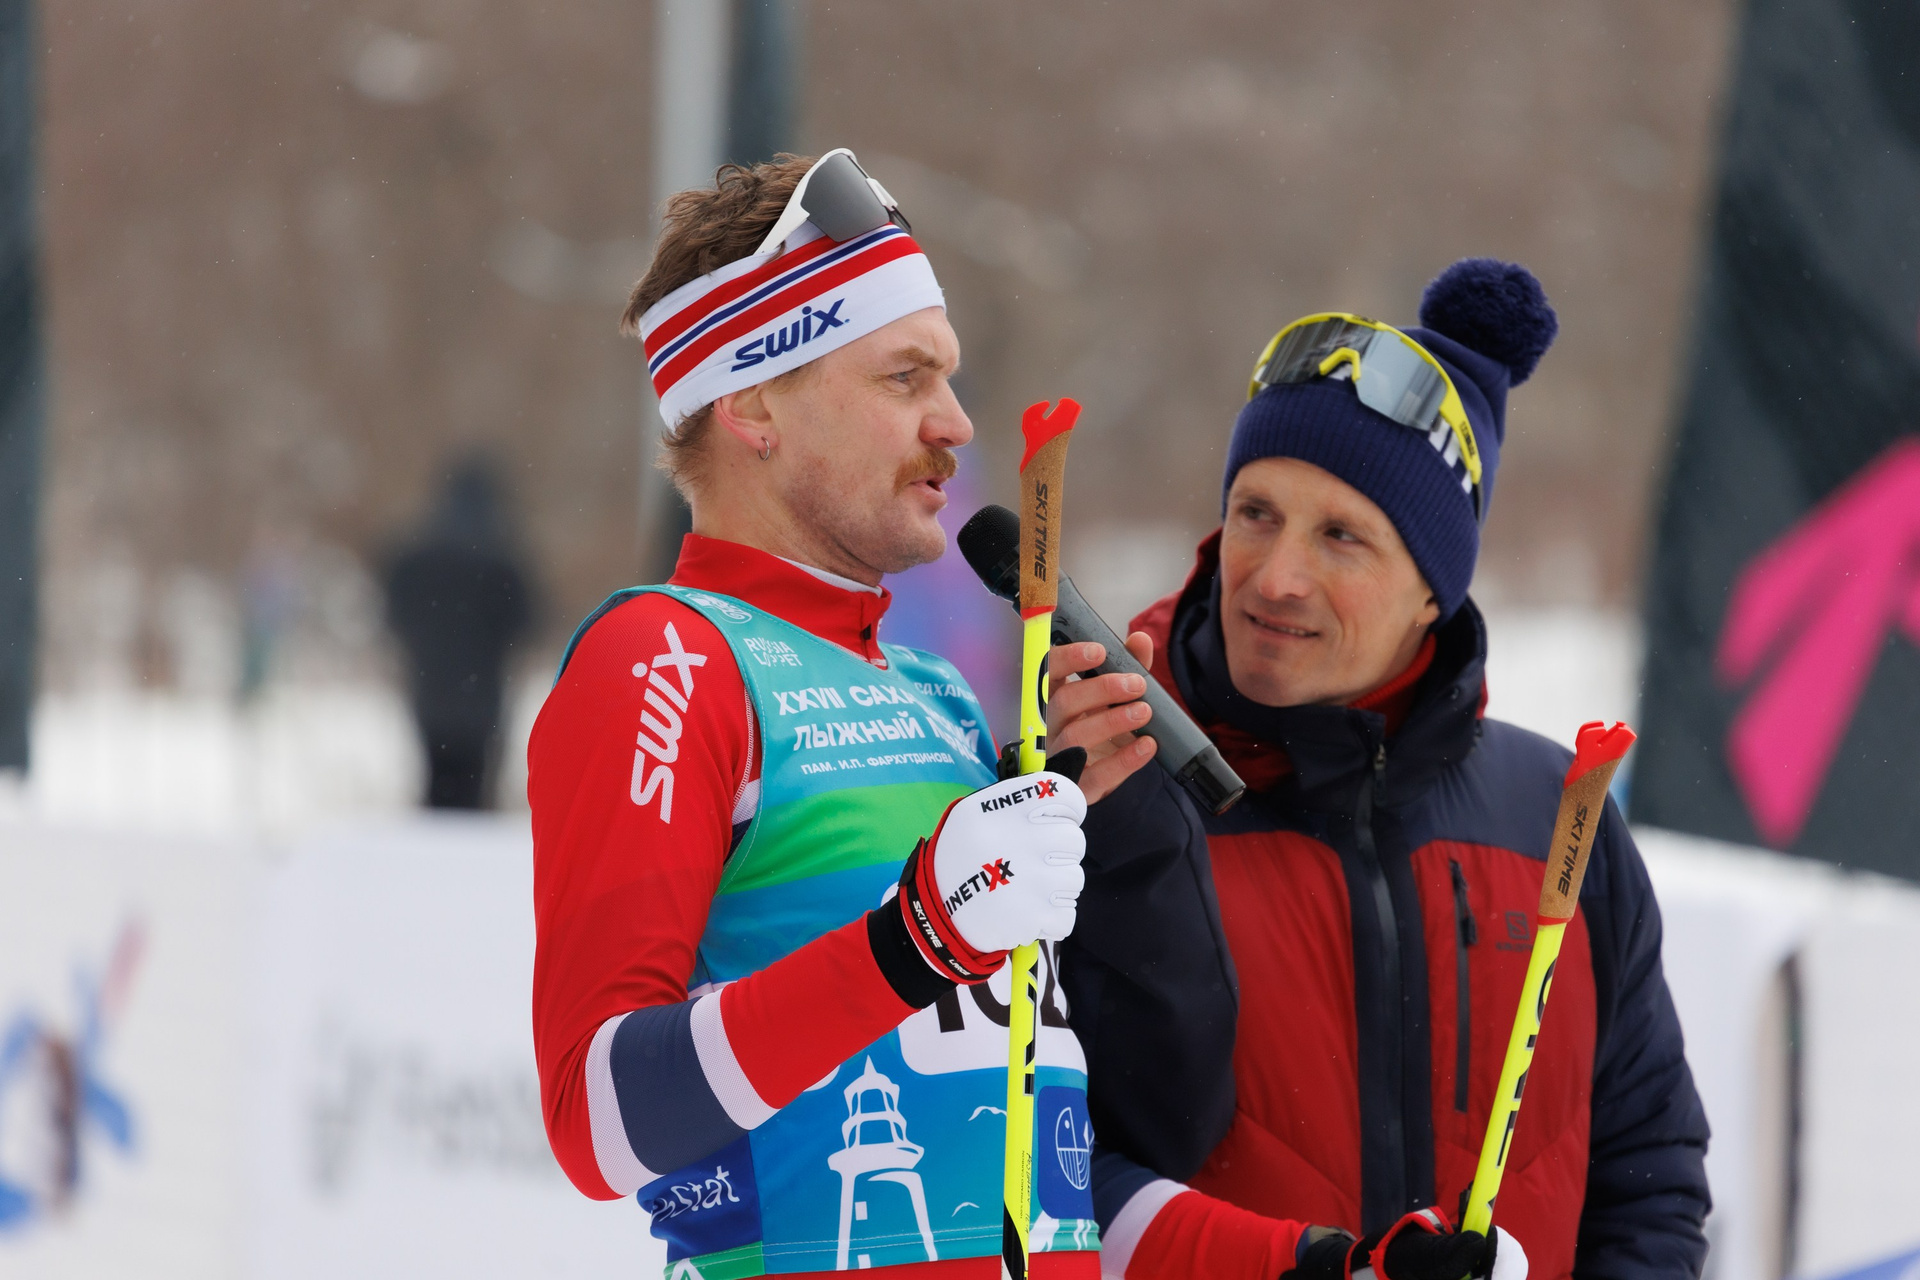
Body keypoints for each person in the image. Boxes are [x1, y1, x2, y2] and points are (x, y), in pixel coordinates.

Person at [529, 150, 1159, 1280]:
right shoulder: (666, 660)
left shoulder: (933, 694)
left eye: (947, 378)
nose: (955, 424)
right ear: (751, 403)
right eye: (904, 378)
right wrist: (917, 935)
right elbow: (598, 1120)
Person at [1053, 261, 1711, 1280]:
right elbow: (1039, 1169)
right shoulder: (1094, 785)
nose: (1276, 576)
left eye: (1342, 536)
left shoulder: (1556, 818)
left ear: (1431, 594)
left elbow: (1649, 1176)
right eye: (1256, 512)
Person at [384, 457, 536, 808]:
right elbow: (526, 622)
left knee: (434, 777)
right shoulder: (502, 560)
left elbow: (394, 611)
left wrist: (423, 643)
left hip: (430, 689)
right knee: (475, 786)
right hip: (483, 693)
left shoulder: (417, 556)